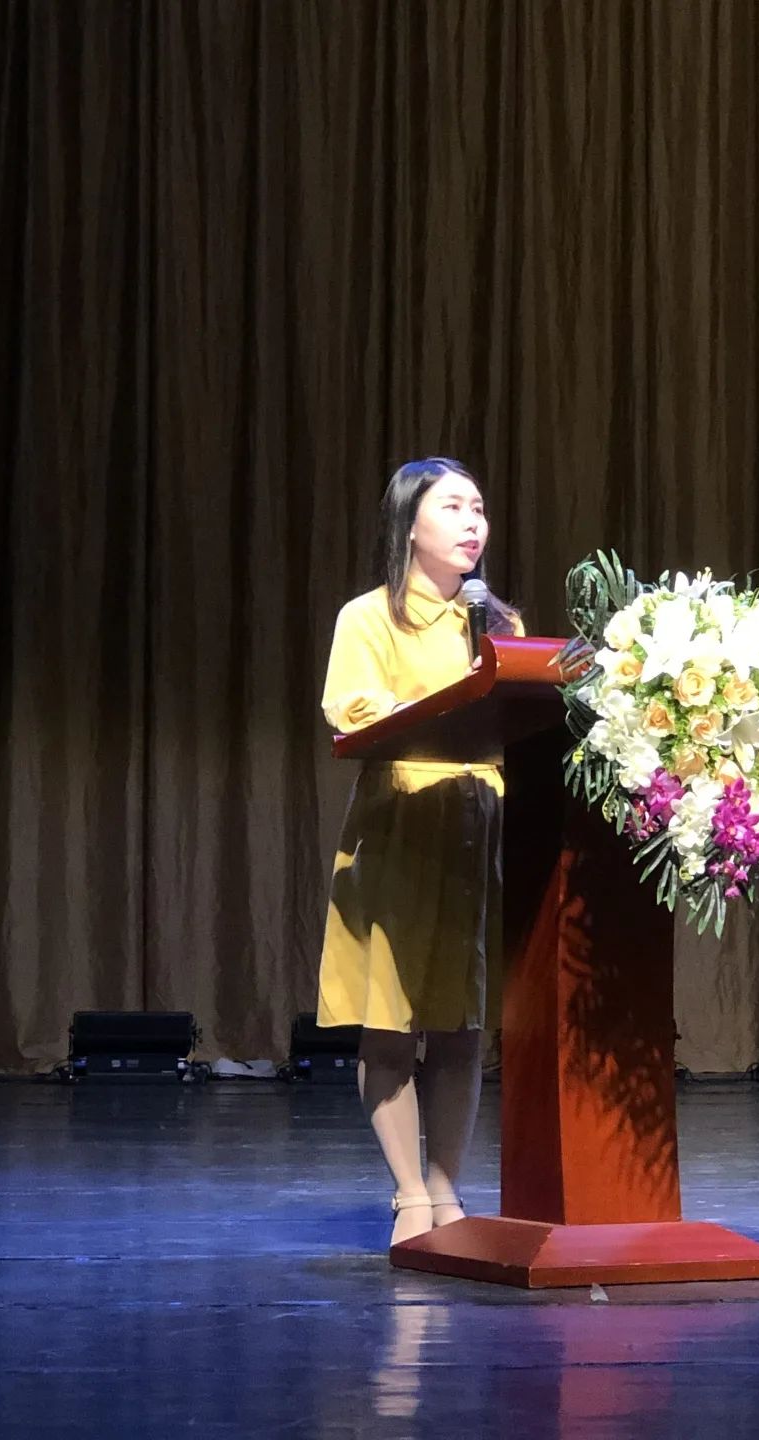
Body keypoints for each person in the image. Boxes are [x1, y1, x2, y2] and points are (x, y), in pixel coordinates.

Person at [317, 457, 522, 1246]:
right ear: (410, 524)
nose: (473, 522)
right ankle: (408, 1195)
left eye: (480, 508)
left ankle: (447, 1189)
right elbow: (355, 709)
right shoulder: (368, 617)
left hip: (479, 833)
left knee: (463, 1026)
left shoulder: (496, 623)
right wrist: (452, 705)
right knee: (392, 1024)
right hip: (401, 828)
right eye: (454, 507)